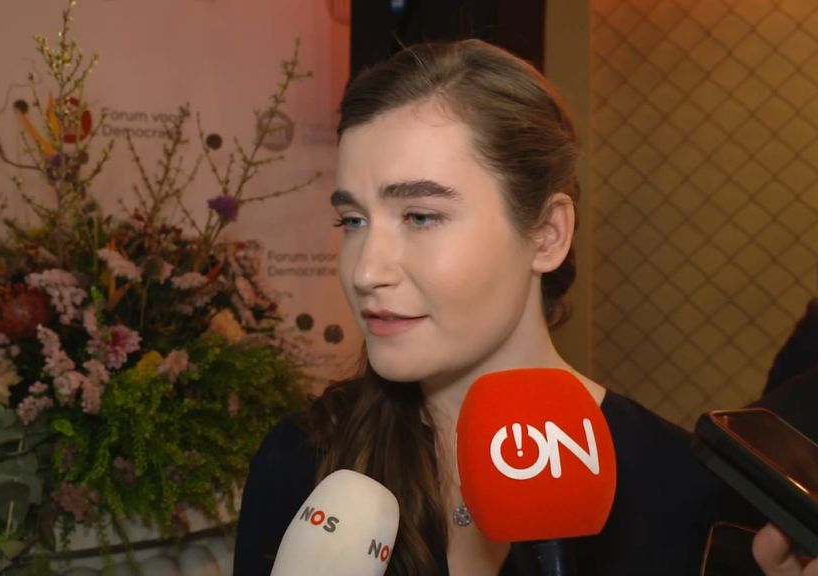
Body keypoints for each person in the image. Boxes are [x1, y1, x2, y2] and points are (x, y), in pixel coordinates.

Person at [233, 39, 815, 575]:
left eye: (420, 216)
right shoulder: (304, 460)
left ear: (547, 234)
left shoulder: (686, 497)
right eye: (353, 220)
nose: (365, 271)